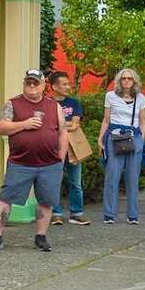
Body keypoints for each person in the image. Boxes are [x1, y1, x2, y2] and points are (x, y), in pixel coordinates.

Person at [0, 69, 67, 252]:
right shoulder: (13, 104)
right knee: (6, 198)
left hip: (49, 164)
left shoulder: (54, 106)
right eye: (28, 83)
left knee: (46, 201)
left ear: (43, 85)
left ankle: (41, 236)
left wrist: (60, 159)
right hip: (20, 162)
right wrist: (24, 124)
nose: (31, 86)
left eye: (35, 83)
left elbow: (63, 132)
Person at [98, 68, 145, 225]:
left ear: (134, 81)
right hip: (115, 137)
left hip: (134, 138)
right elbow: (106, 120)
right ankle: (109, 214)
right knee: (112, 176)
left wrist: (142, 140)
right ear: (119, 80)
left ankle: (132, 215)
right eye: (124, 78)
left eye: (129, 79)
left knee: (133, 178)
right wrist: (100, 139)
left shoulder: (140, 98)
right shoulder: (110, 96)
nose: (126, 81)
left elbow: (142, 121)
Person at [47, 71, 89, 226]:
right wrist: (66, 124)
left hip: (72, 148)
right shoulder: (47, 103)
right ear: (54, 86)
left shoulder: (73, 103)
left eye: (68, 83)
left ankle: (76, 213)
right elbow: (48, 125)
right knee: (54, 181)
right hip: (53, 147)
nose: (67, 86)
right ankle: (55, 214)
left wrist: (59, 125)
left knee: (76, 182)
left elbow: (75, 124)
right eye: (64, 84)